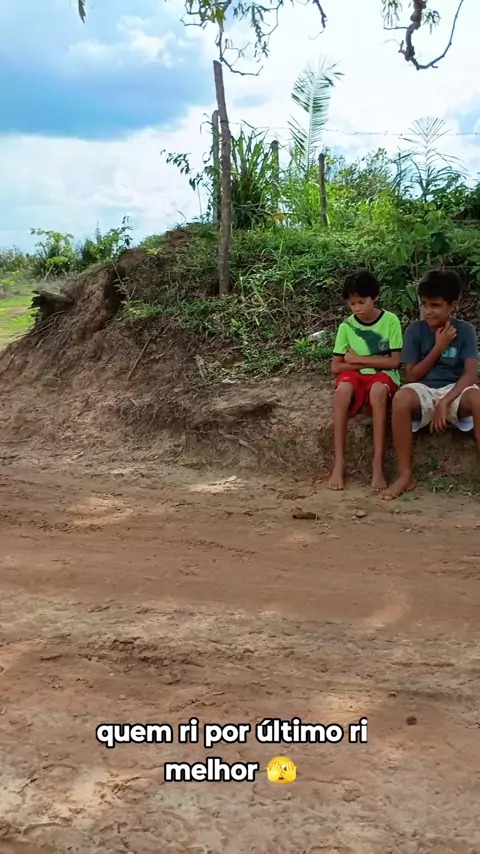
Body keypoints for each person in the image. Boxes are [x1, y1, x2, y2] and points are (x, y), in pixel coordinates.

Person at [381, 268, 480, 500]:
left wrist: (445, 402)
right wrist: (439, 347)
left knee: (478, 399)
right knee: (401, 398)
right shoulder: (415, 331)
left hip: (456, 389)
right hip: (423, 389)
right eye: (424, 304)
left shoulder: (465, 331)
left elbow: (470, 375)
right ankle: (405, 475)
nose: (428, 311)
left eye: (435, 305)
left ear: (452, 305)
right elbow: (412, 376)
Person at [327, 269, 403, 491]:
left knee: (378, 391)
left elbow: (394, 362)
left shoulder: (390, 321)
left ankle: (377, 464)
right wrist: (369, 362)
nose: (357, 308)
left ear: (375, 297)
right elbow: (336, 367)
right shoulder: (346, 326)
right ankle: (339, 463)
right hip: (356, 375)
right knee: (341, 392)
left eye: (362, 302)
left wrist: (356, 358)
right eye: (352, 304)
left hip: (383, 376)